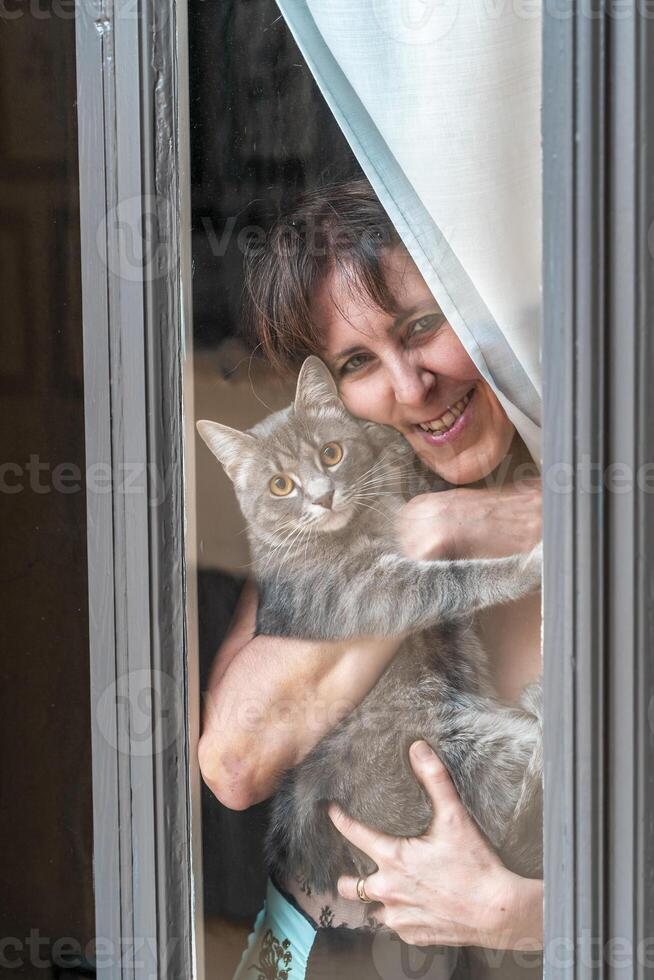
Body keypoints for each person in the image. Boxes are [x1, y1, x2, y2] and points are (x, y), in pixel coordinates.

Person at [199, 179, 543, 979]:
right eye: (359, 362)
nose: (410, 386)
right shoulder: (352, 512)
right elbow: (237, 761)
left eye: (425, 326)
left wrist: (522, 917)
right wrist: (431, 539)